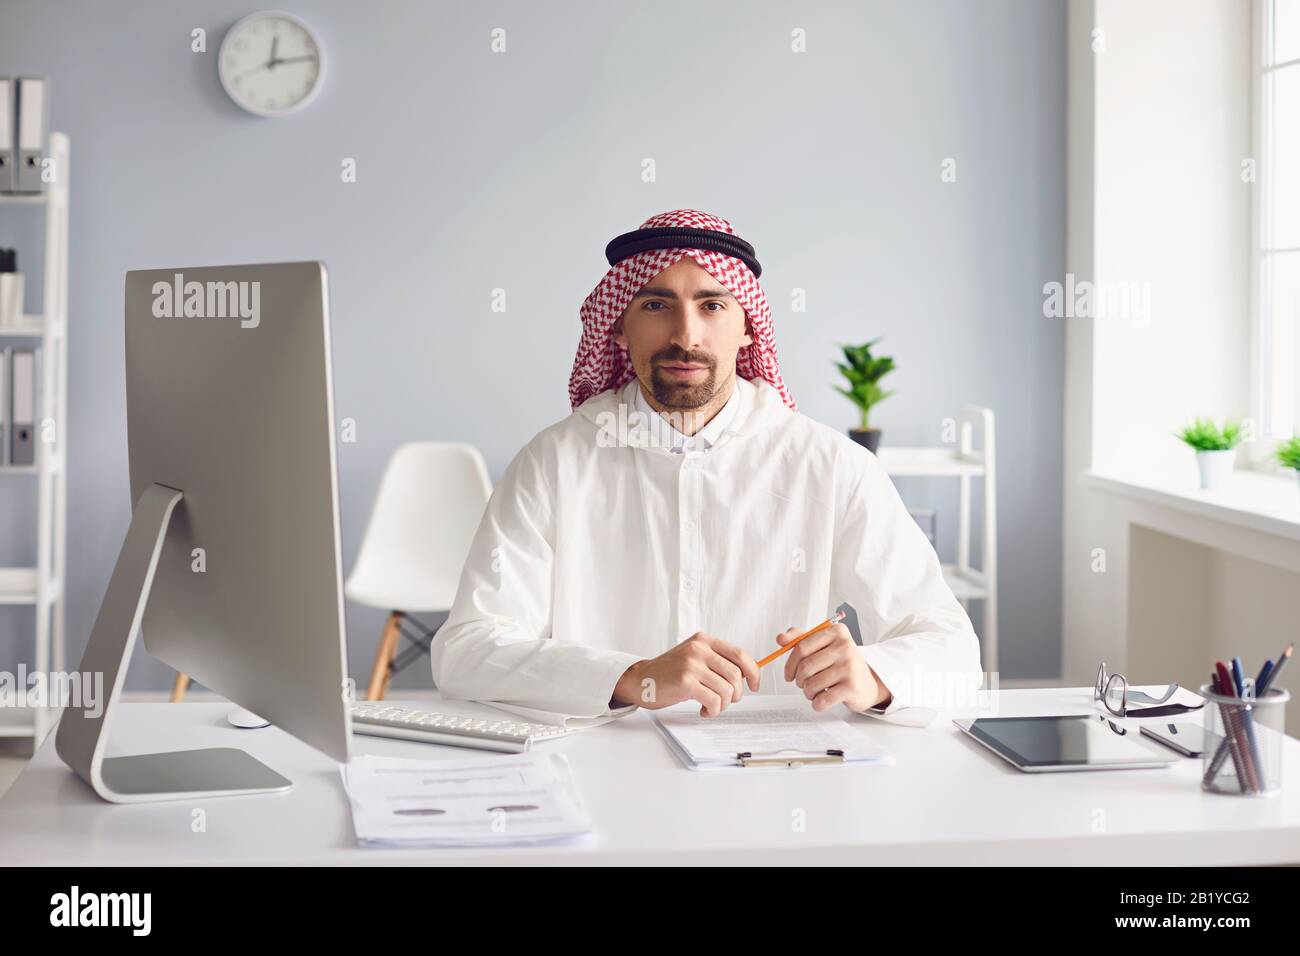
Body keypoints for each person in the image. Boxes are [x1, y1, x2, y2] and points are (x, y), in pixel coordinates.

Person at [430, 209, 983, 724]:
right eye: (656, 306)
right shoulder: (554, 462)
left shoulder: (831, 465)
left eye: (712, 305)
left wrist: (874, 675)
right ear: (618, 327)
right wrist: (634, 677)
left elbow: (953, 649)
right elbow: (466, 650)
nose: (686, 336)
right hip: (598, 770)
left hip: (783, 771)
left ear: (748, 329)